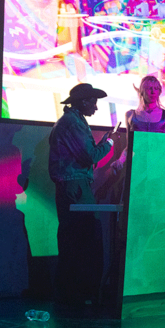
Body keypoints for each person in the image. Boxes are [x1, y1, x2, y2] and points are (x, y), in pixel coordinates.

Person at [49, 83, 115, 305]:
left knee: (76, 238)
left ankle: (72, 293)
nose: (96, 107)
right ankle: (75, 294)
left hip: (74, 184)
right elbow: (90, 156)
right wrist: (109, 144)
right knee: (83, 236)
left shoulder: (74, 121)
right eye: (93, 102)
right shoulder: (72, 123)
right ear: (83, 102)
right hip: (74, 185)